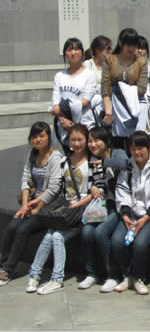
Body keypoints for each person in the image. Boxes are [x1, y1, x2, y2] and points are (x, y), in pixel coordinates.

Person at [25, 124, 93, 295]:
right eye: (73, 140)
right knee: (49, 235)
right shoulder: (65, 161)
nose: (76, 143)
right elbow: (60, 188)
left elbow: (98, 190)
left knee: (56, 236)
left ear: (86, 140)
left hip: (83, 211)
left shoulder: (93, 161)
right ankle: (34, 275)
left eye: (80, 139)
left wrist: (79, 203)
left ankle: (57, 279)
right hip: (66, 210)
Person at [0, 122, 63, 287]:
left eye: (42, 136)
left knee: (23, 230)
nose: (38, 140)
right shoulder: (32, 155)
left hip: (47, 206)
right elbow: (25, 179)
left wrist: (38, 205)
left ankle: (7, 270)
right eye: (35, 137)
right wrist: (24, 205)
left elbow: (54, 188)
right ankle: (3, 264)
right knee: (11, 228)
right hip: (31, 203)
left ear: (49, 137)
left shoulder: (55, 157)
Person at [111, 131, 150, 295]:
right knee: (117, 241)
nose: (137, 152)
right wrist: (125, 215)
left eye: (140, 148)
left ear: (149, 147)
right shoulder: (128, 167)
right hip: (132, 214)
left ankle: (140, 277)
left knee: (140, 244)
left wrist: (146, 218)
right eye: (133, 149)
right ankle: (128, 275)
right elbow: (122, 192)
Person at [78, 126, 129, 292]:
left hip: (119, 205)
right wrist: (93, 187)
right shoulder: (93, 159)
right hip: (102, 205)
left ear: (106, 141)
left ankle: (113, 275)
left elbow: (125, 164)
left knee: (101, 232)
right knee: (87, 232)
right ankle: (92, 273)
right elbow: (95, 181)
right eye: (90, 141)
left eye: (96, 140)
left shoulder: (117, 153)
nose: (92, 144)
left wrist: (104, 162)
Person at [101, 28, 148, 147]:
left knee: (136, 143)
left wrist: (123, 88)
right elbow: (105, 87)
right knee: (118, 144)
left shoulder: (141, 62)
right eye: (128, 45)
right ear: (120, 43)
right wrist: (108, 113)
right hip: (115, 107)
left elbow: (142, 89)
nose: (131, 49)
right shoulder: (110, 60)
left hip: (135, 106)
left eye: (134, 45)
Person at [50, 38, 97, 153]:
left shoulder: (89, 75)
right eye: (69, 50)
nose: (73, 53)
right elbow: (55, 104)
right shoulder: (59, 76)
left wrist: (72, 124)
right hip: (63, 126)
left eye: (76, 49)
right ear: (65, 54)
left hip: (83, 123)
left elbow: (85, 101)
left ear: (82, 52)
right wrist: (63, 120)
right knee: (69, 157)